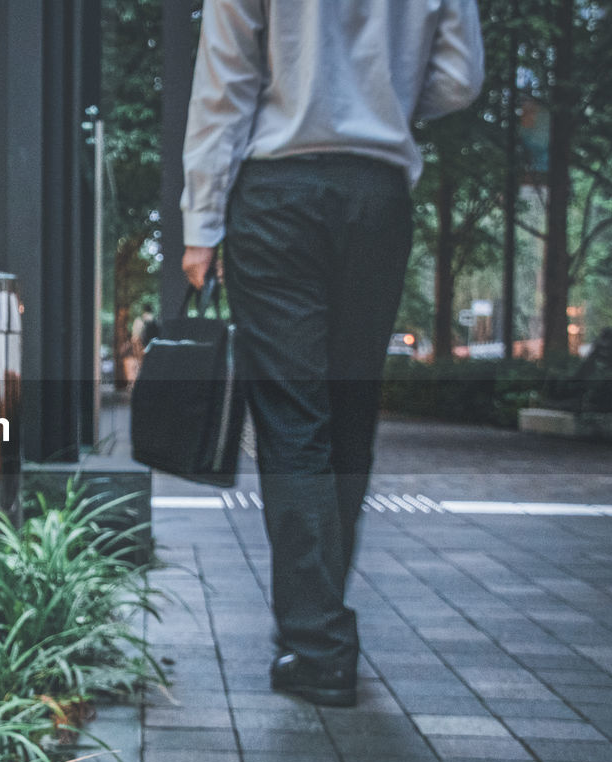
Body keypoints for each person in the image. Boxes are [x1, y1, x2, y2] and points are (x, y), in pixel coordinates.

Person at [181, 0, 484, 706]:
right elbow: (461, 79)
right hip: (376, 194)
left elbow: (225, 83)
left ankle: (316, 643)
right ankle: (319, 627)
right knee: (350, 411)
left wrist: (202, 223)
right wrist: (385, 95)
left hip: (278, 192)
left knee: (292, 418)